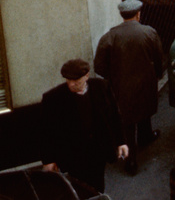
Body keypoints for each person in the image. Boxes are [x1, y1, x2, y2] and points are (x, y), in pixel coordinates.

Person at [94, 0, 165, 175]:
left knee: (126, 123)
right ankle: (146, 136)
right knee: (144, 109)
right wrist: (157, 73)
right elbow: (158, 58)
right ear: (138, 14)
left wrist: (113, 77)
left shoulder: (109, 37)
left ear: (122, 15)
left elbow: (99, 67)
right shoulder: (149, 32)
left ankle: (131, 161)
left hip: (121, 87)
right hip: (145, 83)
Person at [40, 59, 127, 192]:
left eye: (76, 81)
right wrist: (48, 160)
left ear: (86, 76)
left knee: (97, 185)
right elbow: (46, 131)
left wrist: (121, 142)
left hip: (98, 150)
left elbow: (114, 116)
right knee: (78, 188)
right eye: (68, 80)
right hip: (73, 155)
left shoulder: (102, 87)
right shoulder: (53, 99)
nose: (72, 84)